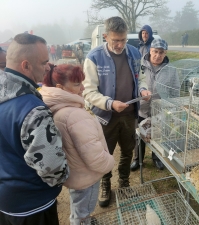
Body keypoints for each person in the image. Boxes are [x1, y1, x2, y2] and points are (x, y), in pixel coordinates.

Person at [0, 33, 69, 225]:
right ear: (26, 65)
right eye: (44, 62)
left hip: (6, 202)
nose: (48, 67)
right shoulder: (32, 110)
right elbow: (52, 169)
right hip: (33, 207)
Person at [83, 16, 151, 208]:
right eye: (115, 40)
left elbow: (141, 77)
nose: (120, 45)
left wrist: (143, 89)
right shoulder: (94, 57)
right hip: (106, 117)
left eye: (123, 40)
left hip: (129, 115)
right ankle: (105, 184)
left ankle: (124, 183)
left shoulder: (134, 53)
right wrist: (110, 103)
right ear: (105, 36)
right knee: (106, 153)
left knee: (128, 150)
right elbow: (88, 91)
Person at [40, 64, 115, 225]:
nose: (82, 88)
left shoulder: (57, 105)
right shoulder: (73, 115)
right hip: (86, 176)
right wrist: (110, 162)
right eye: (76, 84)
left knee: (79, 206)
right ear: (60, 87)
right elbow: (94, 155)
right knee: (82, 213)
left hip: (75, 172)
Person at [131, 38, 180, 171]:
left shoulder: (171, 70)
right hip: (141, 108)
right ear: (150, 50)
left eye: (161, 52)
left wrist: (173, 107)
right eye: (155, 51)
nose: (158, 55)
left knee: (158, 135)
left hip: (160, 110)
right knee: (138, 135)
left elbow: (175, 90)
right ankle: (138, 159)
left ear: (165, 53)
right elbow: (133, 83)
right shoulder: (140, 64)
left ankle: (156, 158)